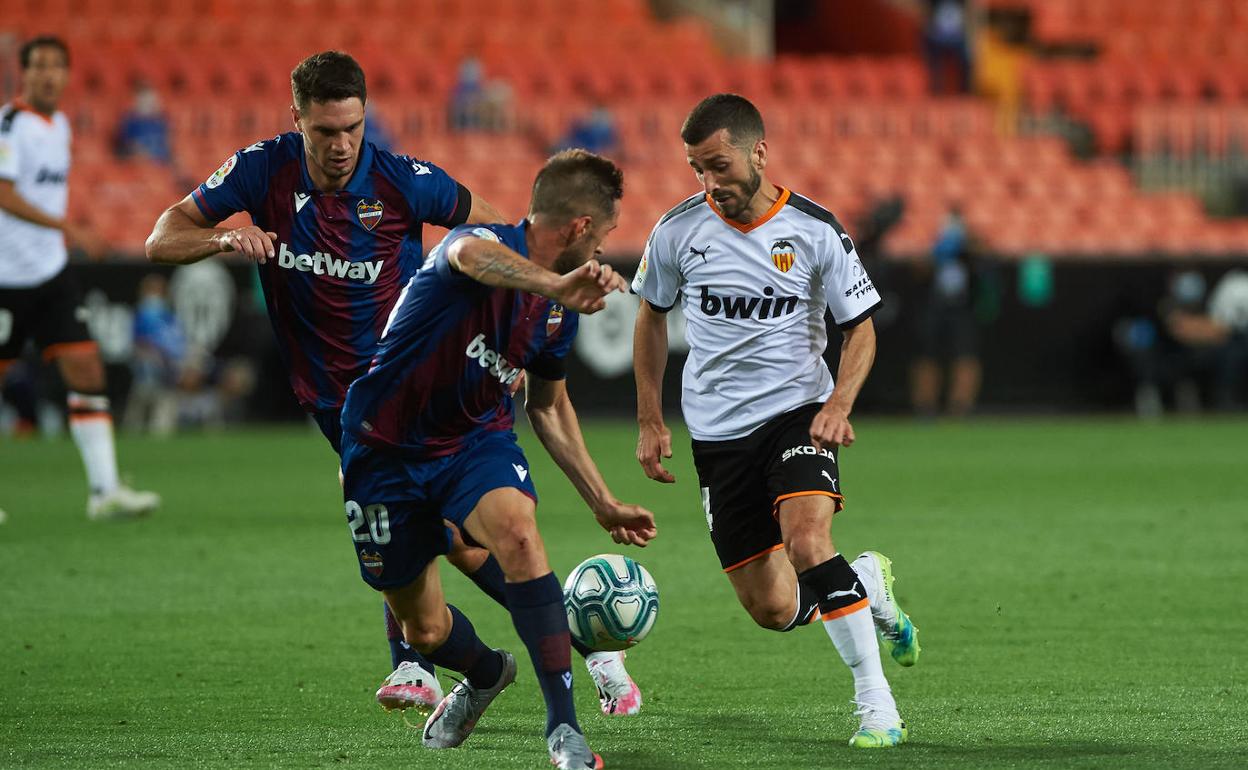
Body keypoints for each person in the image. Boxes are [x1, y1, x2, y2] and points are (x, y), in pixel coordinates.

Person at [144, 51, 644, 719]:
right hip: (334, 402)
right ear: (298, 120)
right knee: (447, 540)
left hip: (416, 390)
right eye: (325, 131)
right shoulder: (261, 170)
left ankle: (446, 660)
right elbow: (161, 237)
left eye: (353, 127)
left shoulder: (403, 181)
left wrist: (518, 307)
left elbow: (497, 231)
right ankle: (565, 645)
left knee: (454, 533)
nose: (342, 144)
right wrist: (225, 240)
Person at [338, 149, 656, 769]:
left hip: (471, 443)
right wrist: (553, 281)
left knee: (518, 535)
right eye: (608, 232)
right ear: (580, 228)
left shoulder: (561, 311)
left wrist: (603, 501)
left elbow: (550, 407)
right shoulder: (480, 244)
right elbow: (465, 256)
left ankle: (564, 731)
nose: (604, 250)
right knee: (422, 632)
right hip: (382, 446)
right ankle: (486, 671)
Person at [631, 94, 921, 749]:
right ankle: (866, 584)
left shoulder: (815, 230)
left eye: (720, 165)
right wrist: (650, 416)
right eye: (697, 168)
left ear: (758, 153)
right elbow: (650, 315)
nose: (710, 183)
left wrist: (838, 404)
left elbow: (860, 327)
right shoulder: (676, 232)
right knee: (773, 608)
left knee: (809, 542)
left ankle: (877, 705)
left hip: (797, 418)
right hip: (718, 437)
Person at [0, 35, 160, 519]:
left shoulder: (61, 124)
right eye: (39, 66)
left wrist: (60, 237)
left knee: (87, 370)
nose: (48, 75)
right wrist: (70, 228)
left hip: (50, 275)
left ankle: (104, 491)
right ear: (24, 73)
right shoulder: (11, 125)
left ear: (67, 75)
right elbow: (4, 195)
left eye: (57, 66)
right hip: (6, 278)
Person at [911, 206, 982, 418]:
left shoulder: (970, 248)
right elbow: (918, 272)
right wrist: (937, 254)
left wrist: (966, 245)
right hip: (934, 307)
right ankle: (925, 405)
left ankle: (961, 406)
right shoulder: (935, 248)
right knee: (926, 356)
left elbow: (985, 261)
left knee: (965, 356)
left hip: (962, 308)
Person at [114, 81, 172, 165]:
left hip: (161, 166)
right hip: (139, 165)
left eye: (151, 99)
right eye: (144, 99)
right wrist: (140, 153)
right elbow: (124, 146)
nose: (149, 103)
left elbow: (166, 146)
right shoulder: (130, 121)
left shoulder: (161, 122)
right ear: (137, 101)